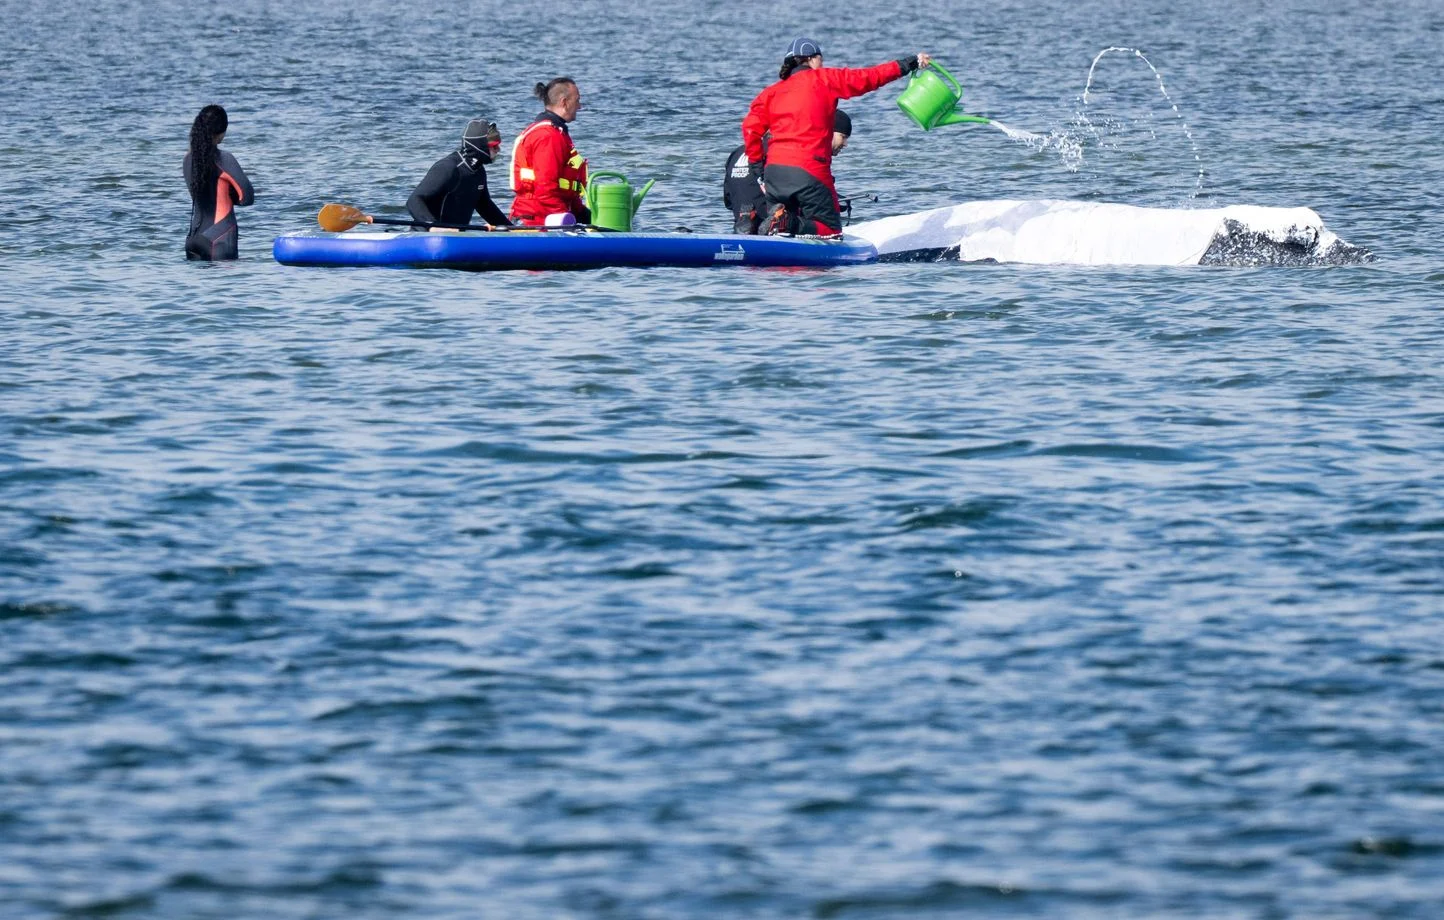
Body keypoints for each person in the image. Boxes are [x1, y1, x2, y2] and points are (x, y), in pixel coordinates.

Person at [742, 38, 928, 237]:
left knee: (781, 229)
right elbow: (869, 77)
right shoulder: (824, 79)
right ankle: (787, 223)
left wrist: (757, 165)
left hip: (774, 175)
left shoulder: (770, 93)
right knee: (830, 230)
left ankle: (777, 223)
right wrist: (910, 63)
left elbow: (750, 128)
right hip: (809, 171)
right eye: (821, 60)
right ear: (812, 59)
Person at [724, 110, 852, 234]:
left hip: (743, 221)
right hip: (774, 225)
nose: (846, 144)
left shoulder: (736, 153)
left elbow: (728, 200)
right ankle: (784, 222)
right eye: (843, 137)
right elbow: (802, 190)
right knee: (828, 227)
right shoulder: (792, 152)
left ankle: (751, 219)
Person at [509, 77, 590, 226]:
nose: (580, 106)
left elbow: (561, 185)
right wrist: (567, 217)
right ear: (564, 102)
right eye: (577, 100)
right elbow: (546, 189)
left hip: (547, 217)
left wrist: (582, 213)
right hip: (537, 221)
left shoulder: (555, 133)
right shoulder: (548, 136)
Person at [407, 118, 511, 231]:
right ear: (480, 145)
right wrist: (432, 226)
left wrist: (513, 230)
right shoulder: (449, 168)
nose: (498, 149)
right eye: (494, 146)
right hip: (427, 237)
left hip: (455, 238)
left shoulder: (478, 171)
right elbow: (414, 200)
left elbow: (485, 207)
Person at [182, 104, 254, 261]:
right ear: (221, 131)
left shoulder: (188, 159)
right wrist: (231, 195)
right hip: (219, 237)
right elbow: (247, 198)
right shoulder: (224, 159)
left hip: (193, 238)